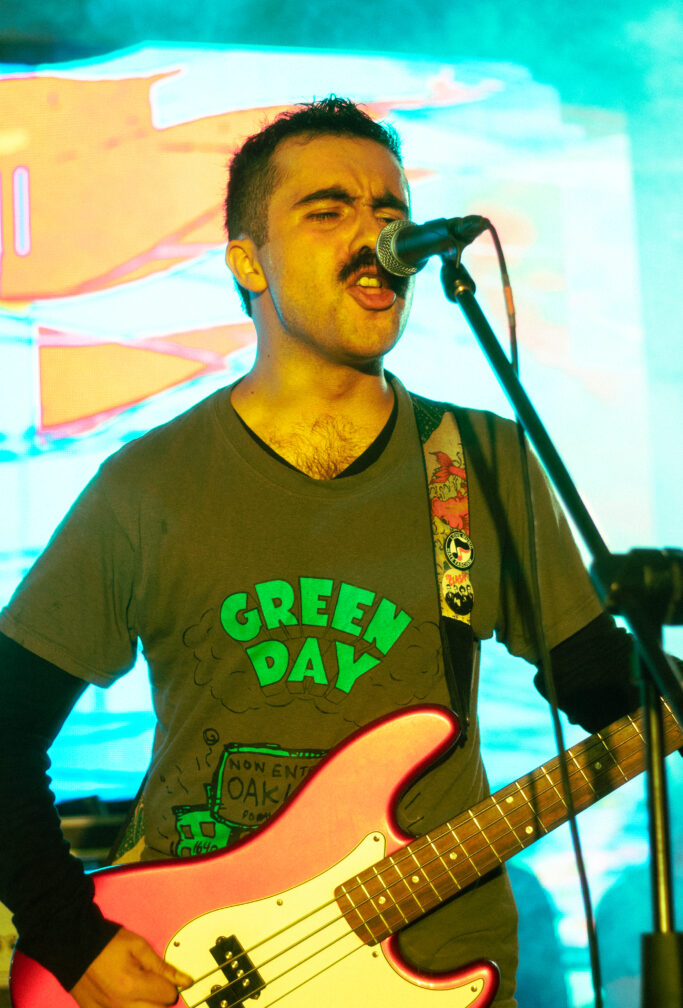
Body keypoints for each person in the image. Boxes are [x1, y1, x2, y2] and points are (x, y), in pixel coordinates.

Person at [0, 97, 641, 1008]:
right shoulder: (149, 486)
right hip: (203, 968)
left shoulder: (479, 459)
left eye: (389, 211)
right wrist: (73, 940)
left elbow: (598, 682)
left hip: (440, 960)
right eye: (328, 210)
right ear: (245, 261)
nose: (375, 236)